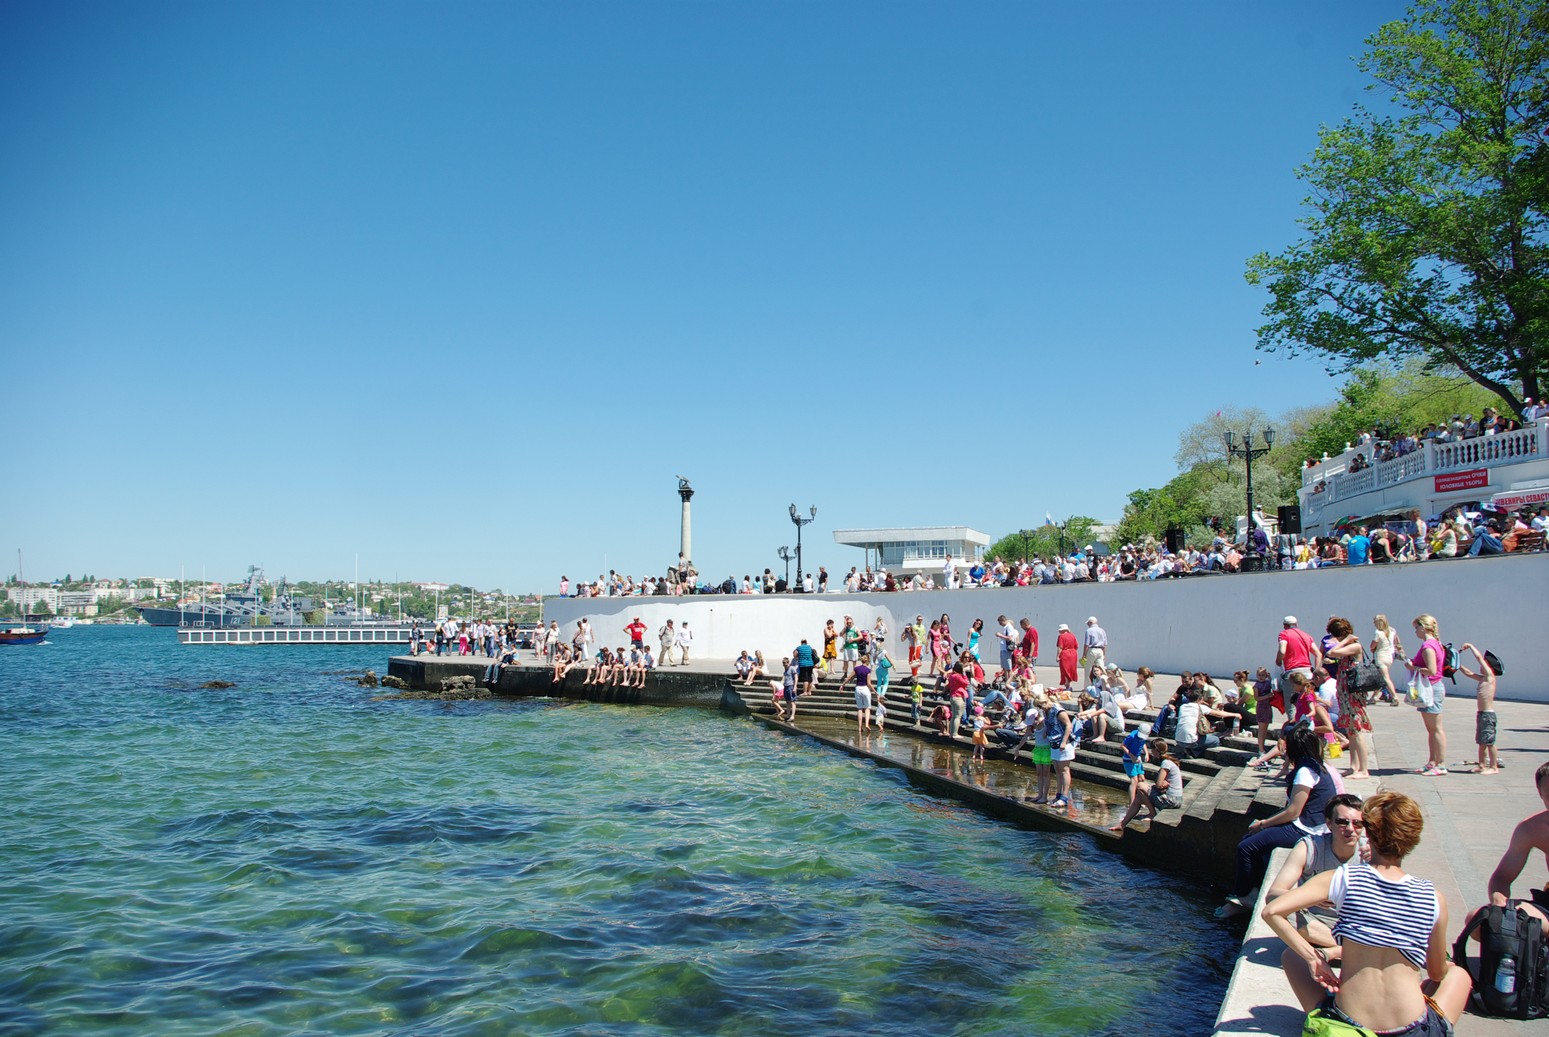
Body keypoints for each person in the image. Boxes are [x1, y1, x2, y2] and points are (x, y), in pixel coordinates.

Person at [1262, 791, 1471, 1035]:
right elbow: (1436, 973)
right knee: (1458, 974)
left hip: (1349, 1024)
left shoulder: (1343, 878)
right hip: (1411, 1030)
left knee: (1292, 956)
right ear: (1414, 838)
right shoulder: (1433, 898)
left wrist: (1313, 958)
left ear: (1368, 833)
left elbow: (1272, 911)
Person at [1218, 722, 1340, 918]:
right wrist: (1265, 823)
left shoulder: (1305, 772)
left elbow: (1294, 811)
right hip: (1310, 824)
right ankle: (1251, 890)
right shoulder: (1317, 765)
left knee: (1246, 847)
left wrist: (1263, 824)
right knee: (1251, 841)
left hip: (1308, 830)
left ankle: (1243, 897)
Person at [1264, 793, 1366, 1006]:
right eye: (1342, 822)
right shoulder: (1310, 847)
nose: (1350, 829)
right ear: (1329, 824)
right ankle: (1349, 949)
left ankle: (1340, 950)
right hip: (1315, 922)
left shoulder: (1369, 854)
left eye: (1357, 823)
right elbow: (1274, 894)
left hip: (1352, 924)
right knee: (1280, 909)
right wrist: (1310, 899)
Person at [1472, 761, 1549, 929]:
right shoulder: (1531, 829)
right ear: (1540, 793)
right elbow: (1502, 877)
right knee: (1480, 921)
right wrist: (1499, 900)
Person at [1324, 616, 1373, 780]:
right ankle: (1354, 766)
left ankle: (1364, 769)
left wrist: (1346, 640)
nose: (1334, 639)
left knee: (1356, 731)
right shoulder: (1347, 646)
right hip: (1345, 694)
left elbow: (1331, 652)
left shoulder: (1354, 646)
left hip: (1353, 695)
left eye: (1335, 635)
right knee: (1351, 731)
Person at [1403, 614, 1449, 776]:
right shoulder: (1435, 644)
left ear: (1424, 627)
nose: (1415, 631)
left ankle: (1441, 764)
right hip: (1431, 688)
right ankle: (1432, 761)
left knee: (1436, 729)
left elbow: (1432, 670)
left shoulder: (1428, 646)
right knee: (1431, 730)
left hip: (1432, 688)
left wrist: (1412, 667)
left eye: (1417, 628)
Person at [1110, 738, 1182, 831]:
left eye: (1152, 749)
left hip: (1171, 801)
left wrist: (1161, 784)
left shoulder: (1166, 763)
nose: (1151, 751)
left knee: (1140, 786)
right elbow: (1160, 784)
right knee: (1138, 798)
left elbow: (1158, 784)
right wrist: (1161, 784)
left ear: (1156, 750)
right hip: (1174, 799)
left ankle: (1152, 813)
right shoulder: (1168, 761)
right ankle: (1122, 824)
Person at [1457, 642, 1500, 774]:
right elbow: (1468, 673)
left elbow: (1479, 658)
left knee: (1490, 742)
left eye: (1484, 665)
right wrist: (1457, 664)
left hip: (1488, 715)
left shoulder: (1490, 677)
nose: (1481, 667)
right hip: (1481, 714)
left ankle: (1494, 767)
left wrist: (1470, 646)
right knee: (1481, 742)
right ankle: (1482, 765)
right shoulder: (1482, 679)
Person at [1370, 614, 1402, 705]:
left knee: (1385, 678)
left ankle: (1395, 697)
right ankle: (1373, 697)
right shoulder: (1392, 630)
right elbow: (1397, 642)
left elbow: (1372, 645)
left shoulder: (1378, 632)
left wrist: (1372, 647)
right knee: (1380, 677)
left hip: (1381, 657)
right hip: (1390, 656)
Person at [852, 652, 872, 734]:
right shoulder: (868, 670)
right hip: (865, 689)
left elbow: (850, 677)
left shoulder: (856, 668)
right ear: (867, 661)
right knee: (867, 708)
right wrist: (875, 691)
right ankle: (867, 724)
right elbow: (869, 683)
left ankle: (860, 728)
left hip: (858, 688)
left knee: (860, 708)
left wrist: (843, 684)